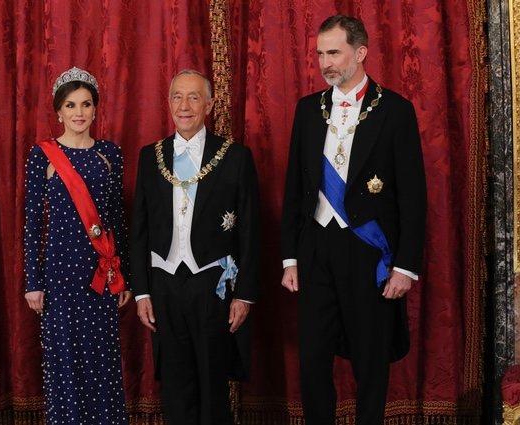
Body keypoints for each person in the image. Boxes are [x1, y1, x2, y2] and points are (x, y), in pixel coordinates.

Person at [280, 15, 427, 425]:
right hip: (315, 250)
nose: (325, 62)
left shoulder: (396, 111)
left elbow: (414, 198)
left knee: (370, 362)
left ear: (360, 53)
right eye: (320, 53)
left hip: (369, 250)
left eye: (333, 52)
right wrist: (290, 258)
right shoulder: (308, 109)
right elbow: (295, 187)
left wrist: (406, 266)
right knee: (312, 360)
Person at [130, 69, 260, 425]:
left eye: (193, 97)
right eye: (177, 97)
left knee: (212, 382)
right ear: (168, 103)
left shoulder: (234, 157)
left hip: (211, 284)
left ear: (209, 104)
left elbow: (250, 230)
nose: (184, 106)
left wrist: (244, 295)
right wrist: (141, 291)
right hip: (165, 284)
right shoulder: (149, 156)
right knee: (175, 383)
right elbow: (139, 230)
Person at [23, 67, 132, 425]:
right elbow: (32, 224)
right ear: (58, 111)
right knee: (65, 361)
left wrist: (124, 276)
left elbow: (117, 219)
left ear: (96, 109)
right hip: (58, 275)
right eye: (71, 105)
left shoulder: (110, 154)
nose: (79, 112)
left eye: (86, 104)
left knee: (100, 360)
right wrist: (32, 282)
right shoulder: (43, 155)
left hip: (99, 274)